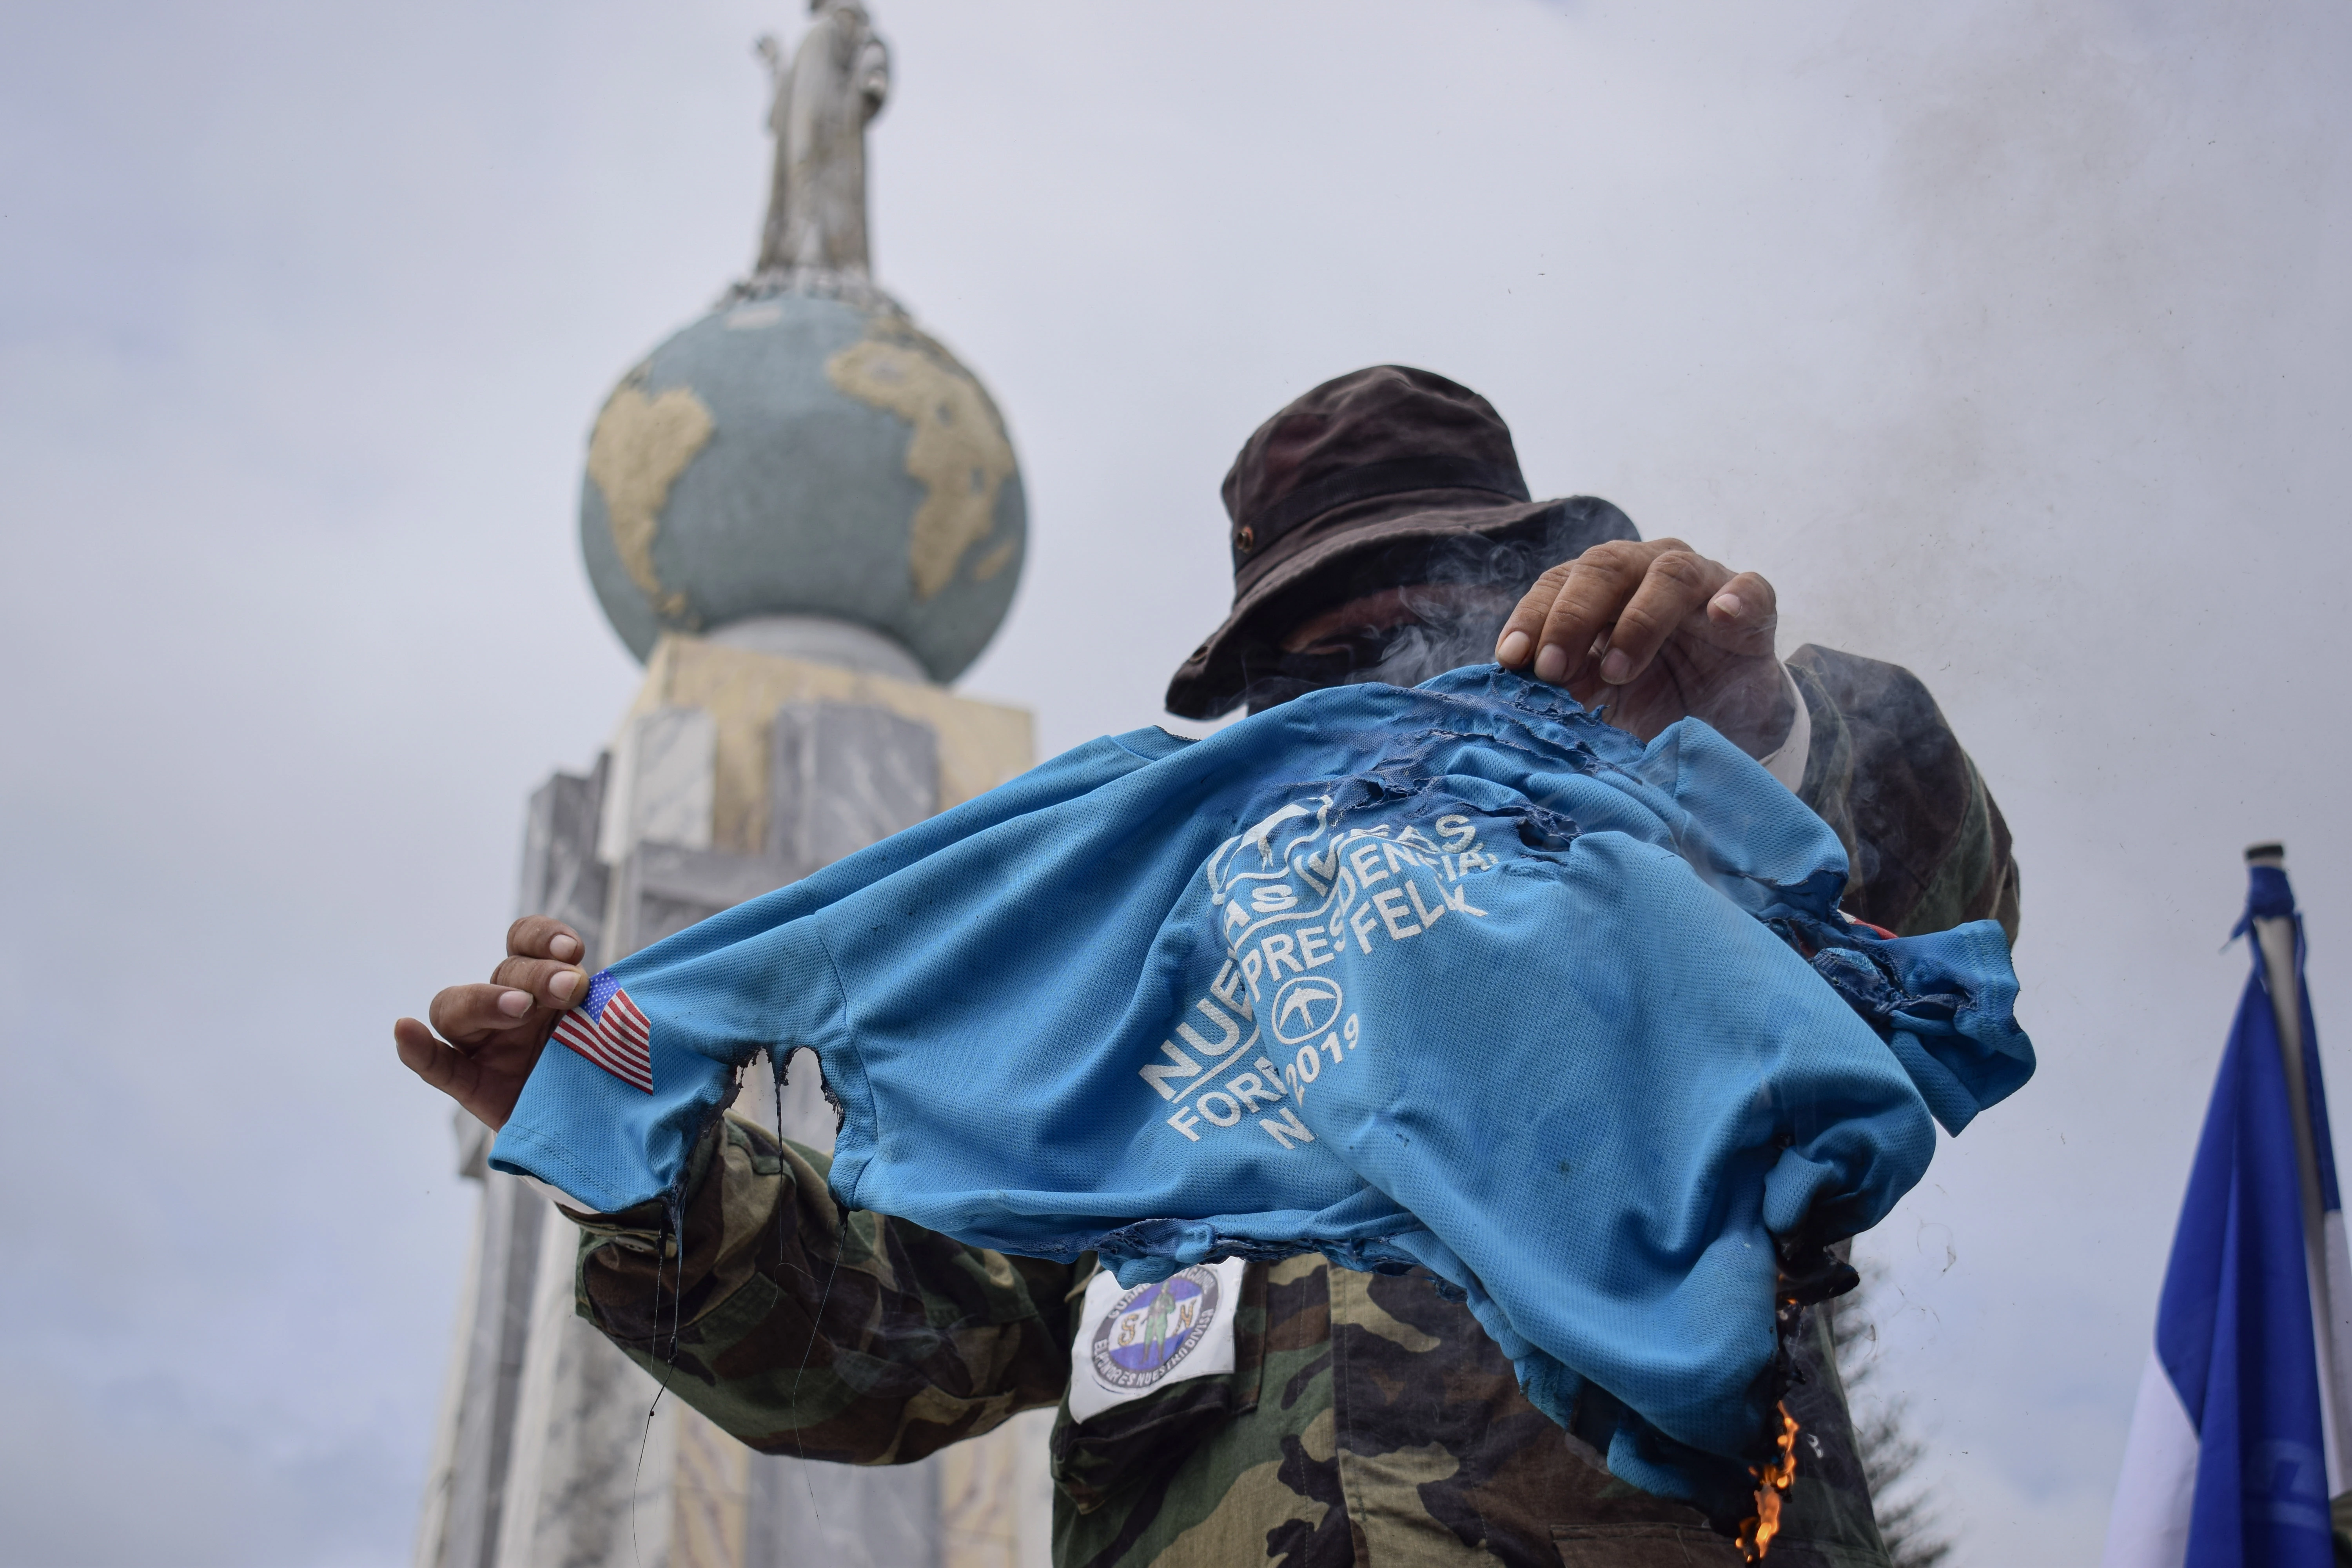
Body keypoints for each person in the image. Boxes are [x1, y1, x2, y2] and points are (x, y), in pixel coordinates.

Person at [397, 366, 2019, 1567]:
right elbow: (897, 1343)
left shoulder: (1657, 837)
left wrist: (1748, 737)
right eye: (1314, 652)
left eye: (1435, 611)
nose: (1374, 684)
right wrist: (639, 1155)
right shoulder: (1130, 985)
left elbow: (1919, 916)